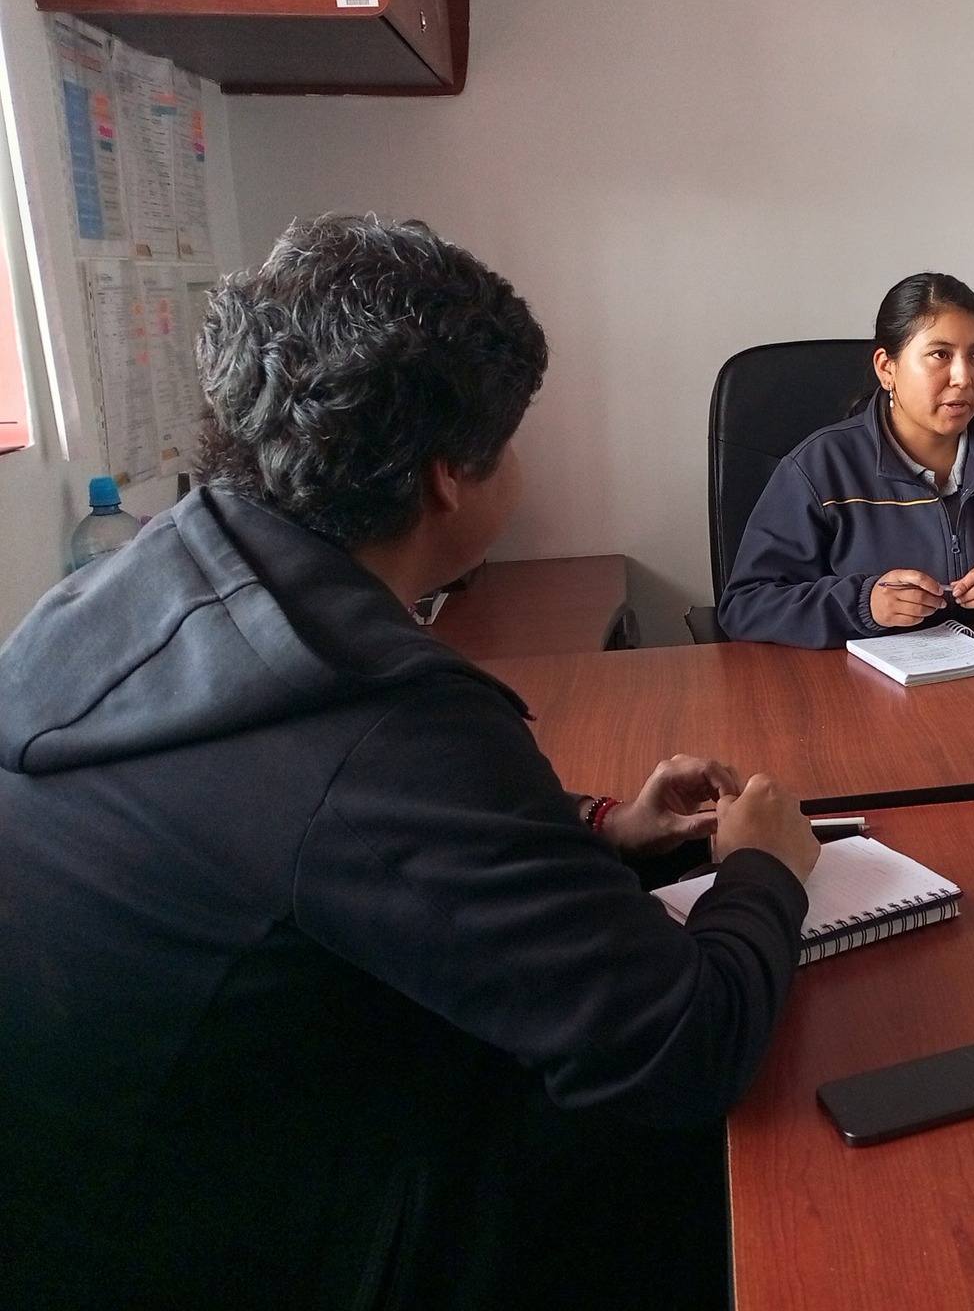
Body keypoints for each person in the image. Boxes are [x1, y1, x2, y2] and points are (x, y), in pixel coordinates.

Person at [0, 216, 821, 1311]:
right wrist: (763, 872)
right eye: (509, 442)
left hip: (100, 1198)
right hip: (253, 1244)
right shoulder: (381, 713)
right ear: (447, 479)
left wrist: (594, 832)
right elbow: (682, 1046)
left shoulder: (139, 582)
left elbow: (312, 835)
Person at [718, 271, 974, 647]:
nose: (964, 377)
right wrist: (864, 604)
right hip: (867, 686)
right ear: (886, 368)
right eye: (940, 354)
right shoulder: (819, 468)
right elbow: (747, 604)